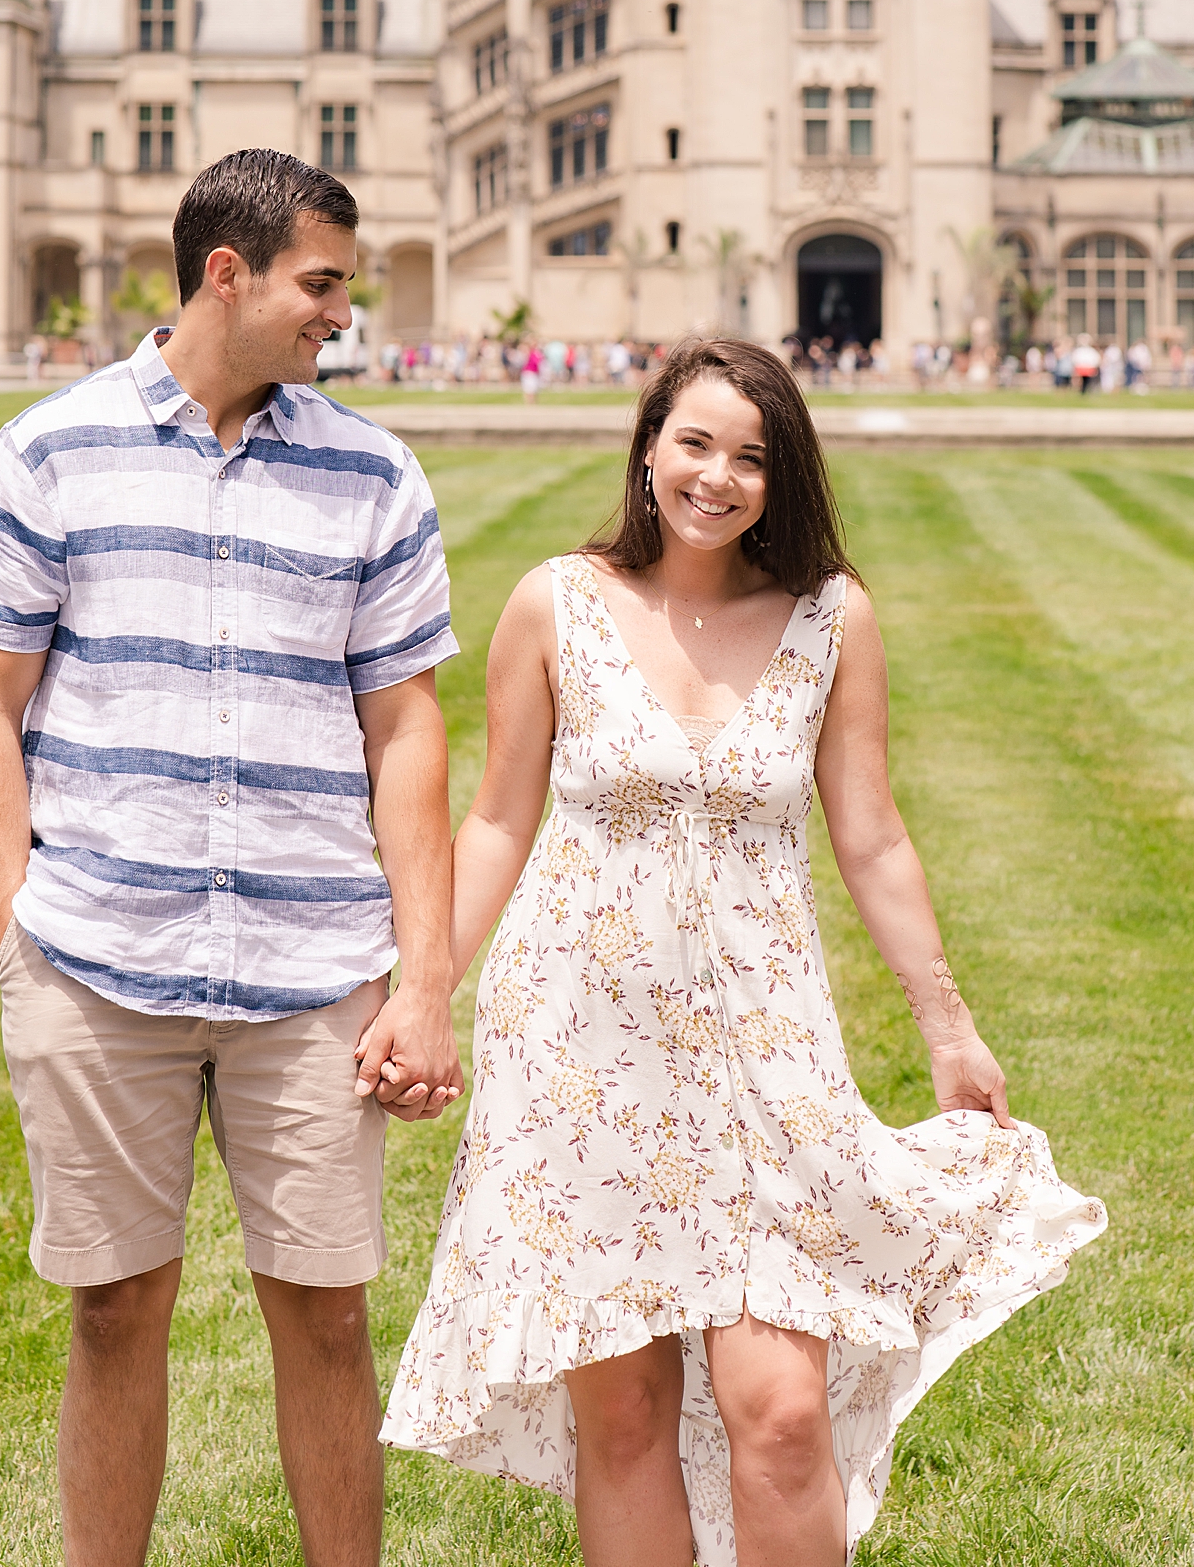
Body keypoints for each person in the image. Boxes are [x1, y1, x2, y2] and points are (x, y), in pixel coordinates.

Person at [383, 337, 1105, 1566]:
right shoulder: (554, 602)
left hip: (767, 1056)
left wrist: (948, 1025)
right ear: (649, 446)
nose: (717, 477)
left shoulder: (832, 618)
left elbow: (870, 837)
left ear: (785, 477)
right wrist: (424, 995)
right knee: (624, 1423)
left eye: (752, 457)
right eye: (696, 443)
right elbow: (499, 818)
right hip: (578, 1050)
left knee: (778, 1413)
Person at [0, 148, 464, 1567]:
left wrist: (425, 981)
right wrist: (19, 933)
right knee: (114, 1309)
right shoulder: (50, 450)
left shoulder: (372, 471)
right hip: (101, 958)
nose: (339, 314)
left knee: (330, 1313)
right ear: (225, 272)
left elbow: (407, 733)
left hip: (313, 968)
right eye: (321, 281)